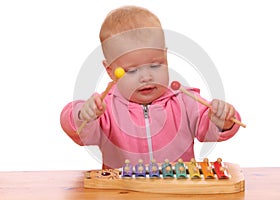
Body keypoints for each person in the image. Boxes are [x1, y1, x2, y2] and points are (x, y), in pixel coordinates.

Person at [60, 5, 242, 169]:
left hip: (177, 191)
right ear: (110, 71)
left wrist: (221, 119)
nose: (146, 77)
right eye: (131, 71)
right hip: (122, 193)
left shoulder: (184, 100)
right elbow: (80, 132)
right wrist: (83, 115)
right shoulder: (104, 108)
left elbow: (209, 127)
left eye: (156, 65)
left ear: (166, 56)